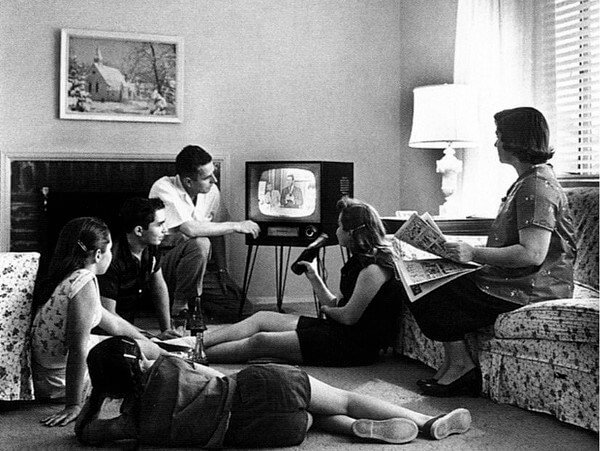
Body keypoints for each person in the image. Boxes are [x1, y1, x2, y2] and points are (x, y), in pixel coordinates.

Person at [409, 107, 576, 397]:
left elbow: (532, 254)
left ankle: (461, 369)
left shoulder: (536, 186)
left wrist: (472, 252)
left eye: (499, 136)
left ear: (516, 139)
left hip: (532, 287)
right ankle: (454, 365)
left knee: (431, 290)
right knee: (423, 283)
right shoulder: (528, 181)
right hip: (514, 279)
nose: (495, 143)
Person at [75, 336, 472, 447]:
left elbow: (87, 434)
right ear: (140, 361)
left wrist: (94, 398)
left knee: (311, 420)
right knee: (343, 396)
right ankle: (425, 421)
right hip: (262, 389)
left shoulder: (134, 424)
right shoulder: (167, 365)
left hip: (262, 434)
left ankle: (353, 430)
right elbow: (204, 368)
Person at [202, 197, 404, 366]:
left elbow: (348, 317)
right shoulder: (358, 262)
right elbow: (336, 305)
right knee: (262, 318)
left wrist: (326, 312)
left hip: (353, 346)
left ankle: (195, 356)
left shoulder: (374, 269)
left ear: (351, 233)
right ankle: (196, 342)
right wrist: (314, 277)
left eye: (340, 226)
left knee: (261, 341)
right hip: (338, 330)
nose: (336, 231)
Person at [31, 217, 166, 427]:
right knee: (137, 356)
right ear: (98, 255)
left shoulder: (69, 276)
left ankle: (174, 353)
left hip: (48, 372)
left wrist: (151, 339)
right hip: (58, 380)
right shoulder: (84, 281)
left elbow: (112, 323)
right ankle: (181, 360)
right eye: (110, 249)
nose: (112, 255)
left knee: (148, 347)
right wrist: (73, 404)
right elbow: (78, 348)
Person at [149, 145, 260, 316]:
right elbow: (190, 229)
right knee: (200, 242)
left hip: (198, 268)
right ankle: (180, 304)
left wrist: (222, 270)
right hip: (164, 265)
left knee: (243, 309)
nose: (214, 180)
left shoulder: (211, 190)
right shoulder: (163, 188)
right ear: (188, 181)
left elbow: (217, 231)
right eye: (208, 177)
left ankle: (192, 300)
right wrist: (236, 225)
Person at [98, 197, 178, 339]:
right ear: (139, 230)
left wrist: (166, 330)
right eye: (160, 225)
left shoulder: (151, 248)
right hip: (106, 334)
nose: (165, 230)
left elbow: (159, 287)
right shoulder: (112, 259)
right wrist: (149, 338)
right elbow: (109, 316)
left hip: (130, 329)